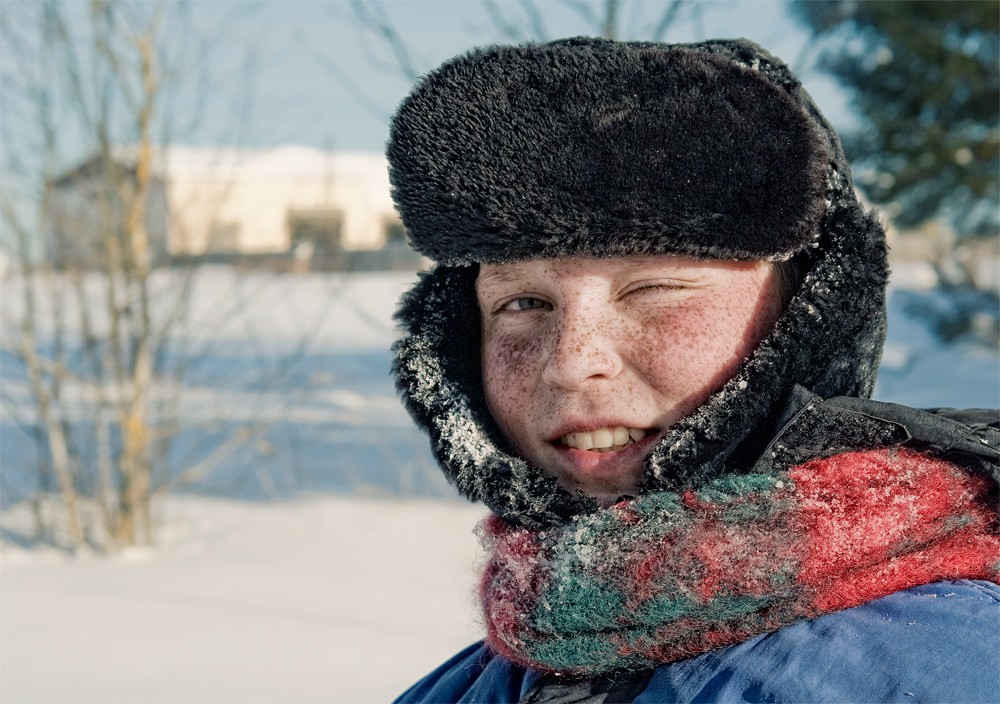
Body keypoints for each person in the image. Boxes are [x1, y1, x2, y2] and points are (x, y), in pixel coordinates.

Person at [386, 37, 1000, 703]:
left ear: (806, 319)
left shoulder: (941, 669)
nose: (570, 363)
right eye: (524, 303)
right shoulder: (478, 679)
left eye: (652, 290)